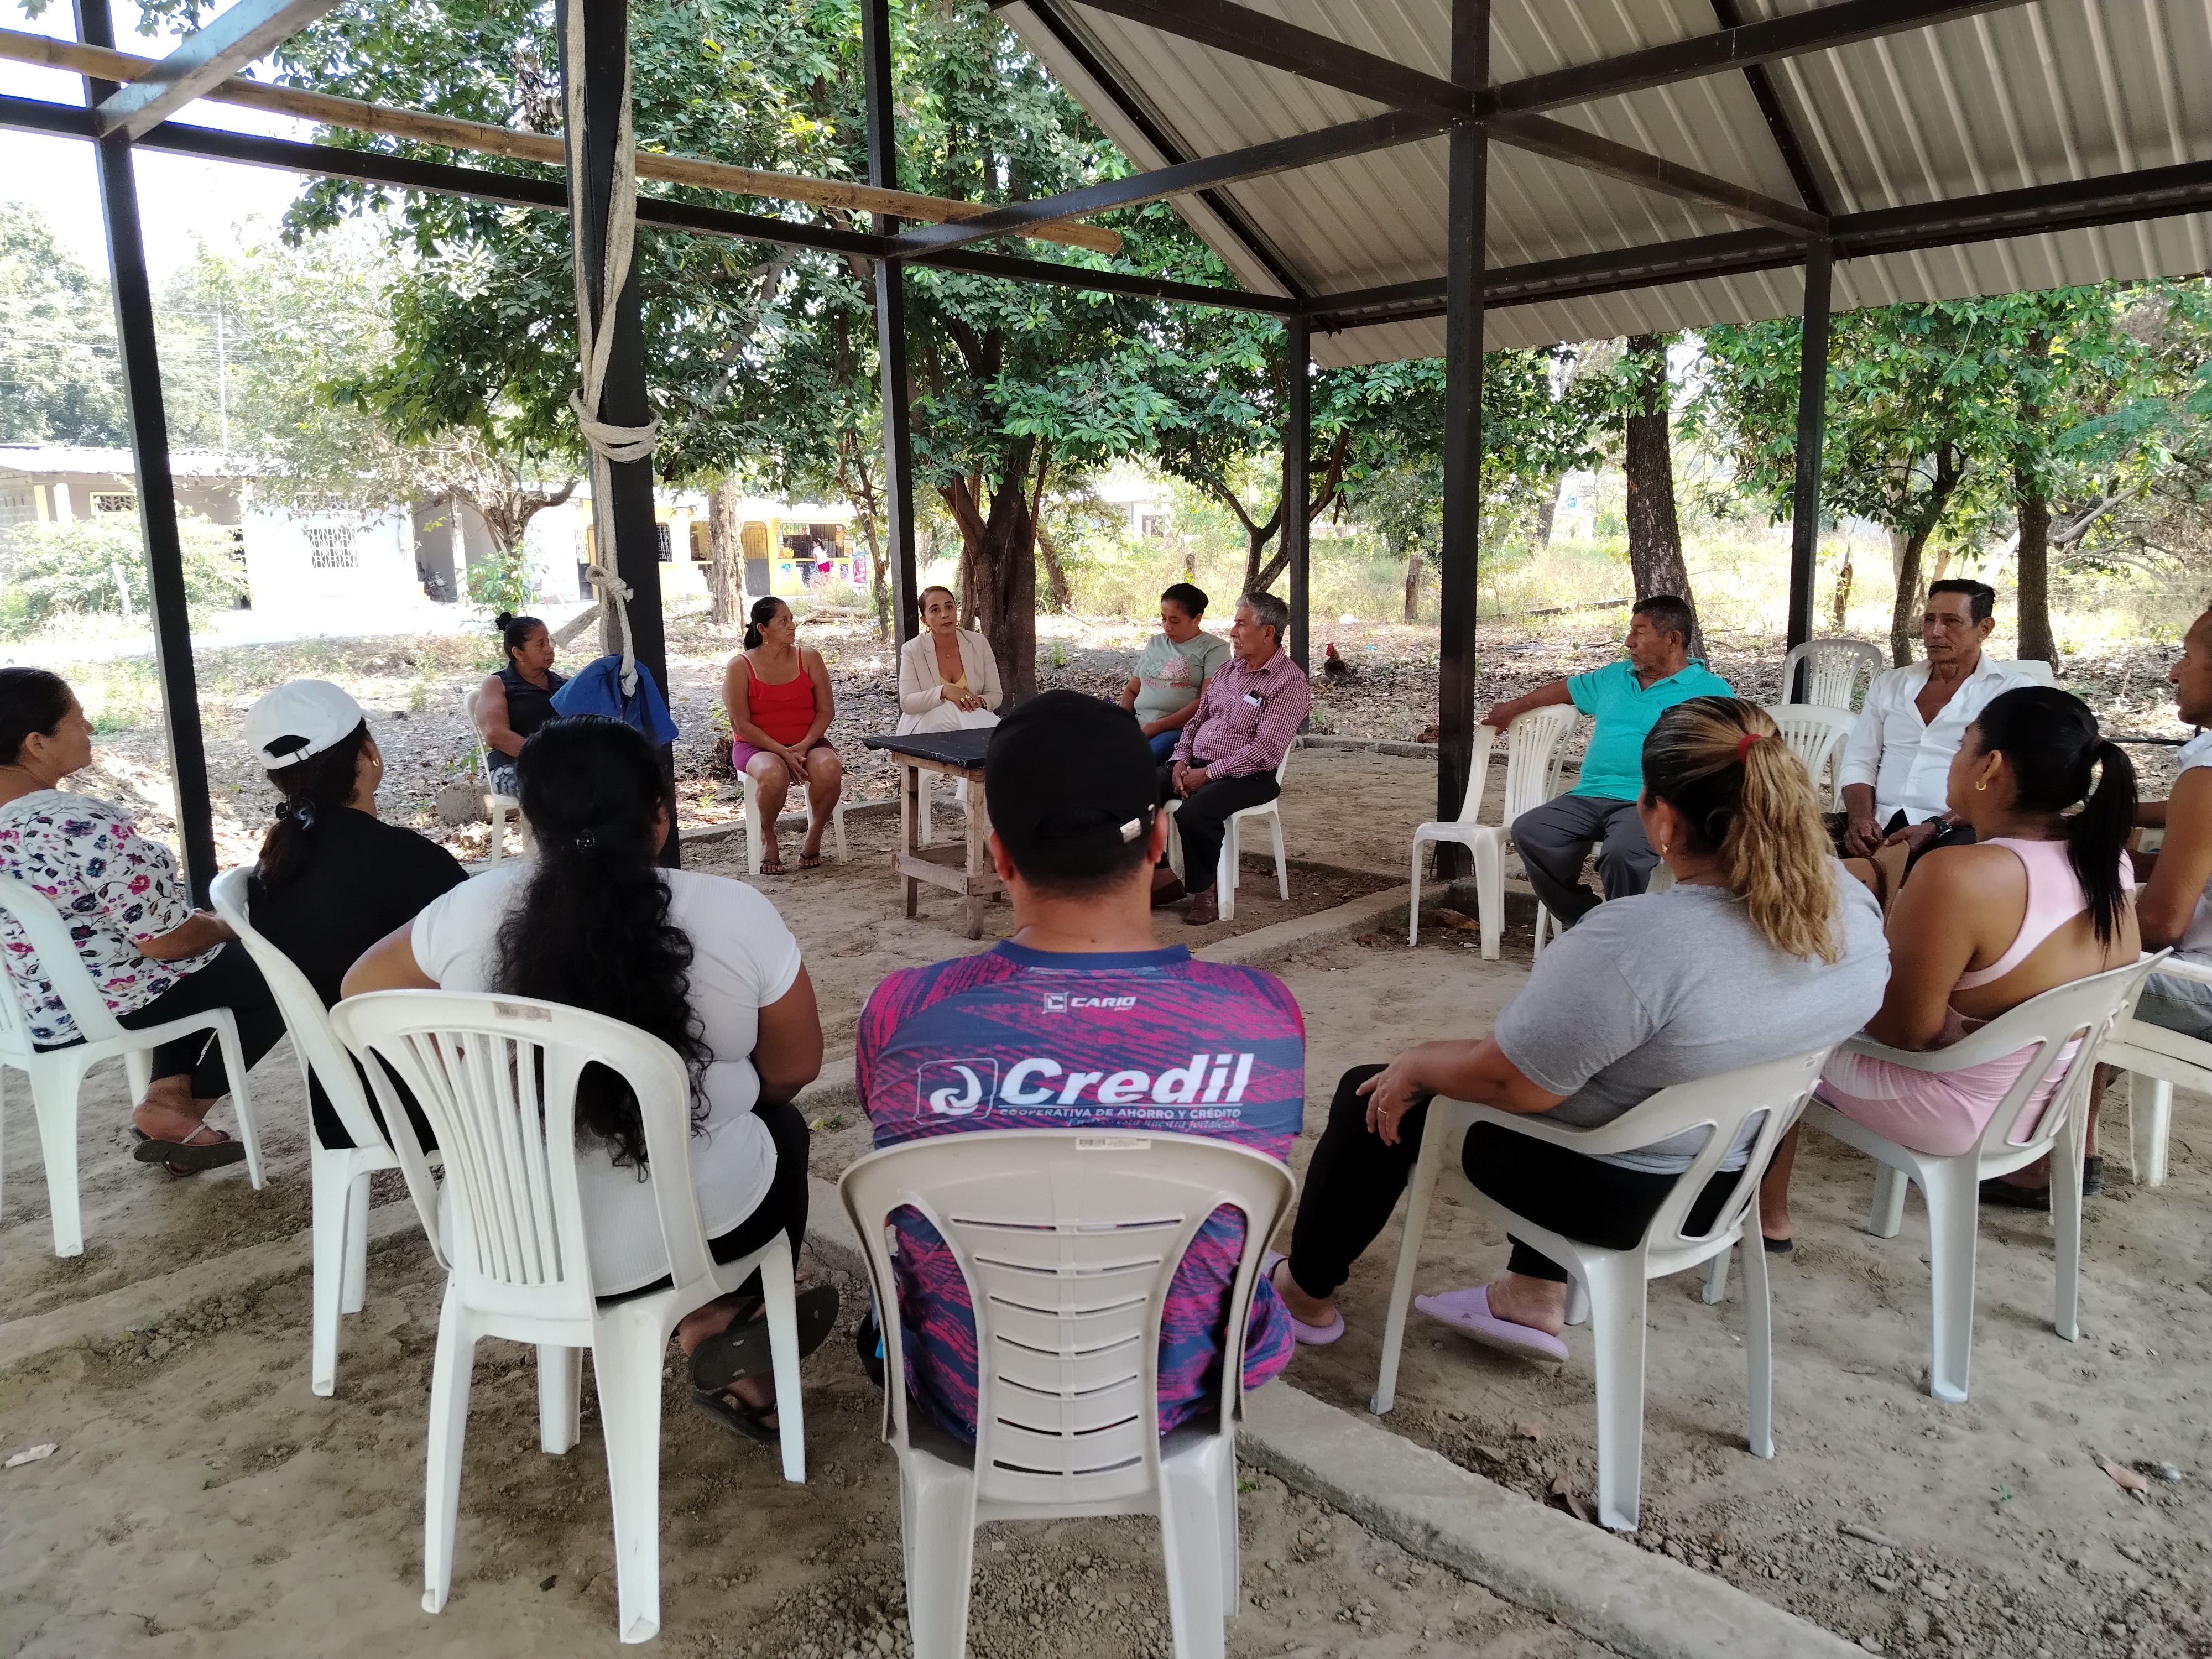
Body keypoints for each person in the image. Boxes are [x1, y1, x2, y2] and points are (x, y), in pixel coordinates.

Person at [1269, 698, 1887, 1359]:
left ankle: (1302, 1292)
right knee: (1601, 1071)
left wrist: (1417, 1063)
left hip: (1623, 1196)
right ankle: (1531, 1290)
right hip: (1728, 1182)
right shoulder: (1846, 901)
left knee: (1373, 1092)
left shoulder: (1639, 942)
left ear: (1664, 819)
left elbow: (1513, 1084)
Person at [342, 716, 838, 1444]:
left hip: (502, 1240)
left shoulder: (464, 911)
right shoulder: (735, 913)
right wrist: (702, 1096)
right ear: (659, 817)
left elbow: (359, 990)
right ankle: (719, 1318)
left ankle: (718, 1322)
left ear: (531, 826)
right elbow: (794, 1070)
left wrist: (470, 1077)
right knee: (782, 1130)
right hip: (688, 1239)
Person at [851, 690, 1304, 1438]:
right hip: (1182, 1391)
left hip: (964, 1398)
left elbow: (889, 1120)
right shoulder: (1264, 1015)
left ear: (999, 855)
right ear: (1158, 839)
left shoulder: (903, 1011)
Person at [1761, 687, 2138, 1239]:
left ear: (1990, 766)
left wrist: (1841, 959)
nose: (1954, 760)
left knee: (1771, 1022)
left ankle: (1767, 1217)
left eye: (1961, 746)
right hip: (2044, 1104)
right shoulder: (2109, 863)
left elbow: (1903, 1033)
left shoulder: (1961, 874)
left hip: (1953, 1107)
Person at [0, 667, 283, 1175]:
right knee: (285, 969)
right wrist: (229, 924)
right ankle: (185, 1111)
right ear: (36, 743)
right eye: (78, 721)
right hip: (106, 1003)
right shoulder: (75, 825)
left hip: (31, 1012)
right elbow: (167, 943)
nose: (89, 729)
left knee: (204, 969)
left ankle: (167, 1097)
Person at [241, 679, 467, 1151]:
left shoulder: (274, 865)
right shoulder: (404, 859)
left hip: (342, 1104)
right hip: (430, 1101)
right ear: (368, 752)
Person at [1489, 594, 1732, 930]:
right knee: (1530, 831)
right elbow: (1566, 690)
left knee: (1623, 854)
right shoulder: (1615, 677)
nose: (1629, 642)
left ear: (1673, 639)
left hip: (1651, 800)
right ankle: (1590, 922)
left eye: (1640, 633)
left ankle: (1621, 933)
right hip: (1589, 794)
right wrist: (1512, 708)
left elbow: (1726, 750)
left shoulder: (1710, 691)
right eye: (1631, 632)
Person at [1837, 579, 2038, 868]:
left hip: (1960, 827)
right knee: (1788, 845)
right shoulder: (1892, 684)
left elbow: (2009, 781)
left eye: (1951, 621)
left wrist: (1938, 826)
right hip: (1879, 821)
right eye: (1929, 619)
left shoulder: (2012, 693)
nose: (1935, 632)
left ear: (1984, 628)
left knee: (1936, 874)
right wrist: (1860, 818)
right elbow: (1859, 760)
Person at [1154, 591, 1312, 927]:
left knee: (1196, 812)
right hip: (1197, 763)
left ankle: (1205, 891)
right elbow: (1196, 722)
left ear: (1268, 633)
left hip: (1249, 776)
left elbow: (1266, 750)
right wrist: (1180, 761)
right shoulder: (1229, 670)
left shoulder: (1289, 683)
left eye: (1241, 624)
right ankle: (1159, 876)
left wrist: (1208, 774)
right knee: (1132, 786)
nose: (1232, 632)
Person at [722, 596, 843, 874]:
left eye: (792, 619)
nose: (792, 626)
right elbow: (741, 724)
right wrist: (783, 752)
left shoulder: (810, 658)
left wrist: (802, 746)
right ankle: (768, 835)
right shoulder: (740, 666)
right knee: (773, 773)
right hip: (756, 746)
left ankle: (815, 833)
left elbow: (826, 711)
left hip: (807, 742)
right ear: (762, 628)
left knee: (829, 767)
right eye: (783, 621)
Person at [1118, 582, 1231, 763]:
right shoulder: (1156, 643)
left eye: (1175, 621)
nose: (1167, 627)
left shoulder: (1215, 648)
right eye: (1163, 619)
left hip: (1177, 730)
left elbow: (1208, 702)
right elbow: (1132, 689)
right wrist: (1122, 720)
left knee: (1137, 759)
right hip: (1138, 724)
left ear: (1197, 619)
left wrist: (1158, 726)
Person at [473, 611, 567, 795]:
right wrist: (546, 757)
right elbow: (495, 735)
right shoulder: (497, 684)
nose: (549, 649)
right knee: (564, 790)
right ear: (519, 653)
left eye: (549, 642)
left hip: (564, 765)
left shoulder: (563, 683)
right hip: (513, 765)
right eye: (540, 644)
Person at [895, 585, 1004, 734]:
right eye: (935, 610)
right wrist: (944, 692)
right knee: (949, 707)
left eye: (949, 607)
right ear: (924, 620)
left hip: (970, 723)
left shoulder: (978, 642)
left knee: (958, 709)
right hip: (924, 729)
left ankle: (999, 738)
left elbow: (995, 694)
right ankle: (1001, 737)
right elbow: (907, 703)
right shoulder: (912, 649)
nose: (945, 614)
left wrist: (977, 702)